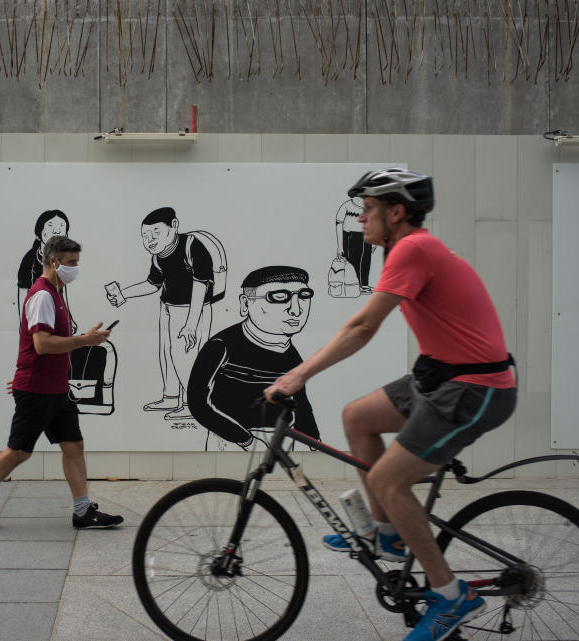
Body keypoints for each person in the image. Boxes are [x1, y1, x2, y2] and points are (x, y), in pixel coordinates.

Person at [264, 169, 516, 641]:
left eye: (367, 210)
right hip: (439, 376)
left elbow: (362, 327)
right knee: (356, 417)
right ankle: (390, 535)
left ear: (396, 212)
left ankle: (451, 596)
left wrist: (299, 373)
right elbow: (361, 323)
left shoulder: (413, 248)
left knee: (387, 481)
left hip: (475, 389)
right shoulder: (405, 251)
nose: (360, 220)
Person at [0, 236, 124, 529]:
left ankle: (83, 511)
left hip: (57, 389)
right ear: (54, 261)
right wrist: (85, 341)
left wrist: (81, 341)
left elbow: (39, 346)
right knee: (19, 451)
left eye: (77, 262)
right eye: (72, 262)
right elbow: (42, 344)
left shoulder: (56, 293)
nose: (76, 268)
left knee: (73, 445)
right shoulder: (43, 295)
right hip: (38, 391)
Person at [107, 207, 220, 420]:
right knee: (167, 354)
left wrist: (191, 324)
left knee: (185, 357)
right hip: (168, 307)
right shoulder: (159, 256)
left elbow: (201, 285)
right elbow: (153, 283)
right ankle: (171, 396)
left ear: (174, 226)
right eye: (145, 235)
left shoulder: (192, 246)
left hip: (193, 310)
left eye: (155, 233)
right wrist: (124, 294)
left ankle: (192, 404)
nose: (149, 239)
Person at [188, 266, 320, 449]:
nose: (295, 309)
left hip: (283, 441)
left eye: (304, 296)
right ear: (246, 303)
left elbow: (301, 405)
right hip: (231, 441)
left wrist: (314, 444)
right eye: (279, 297)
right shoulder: (221, 345)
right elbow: (198, 403)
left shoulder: (292, 356)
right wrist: (246, 440)